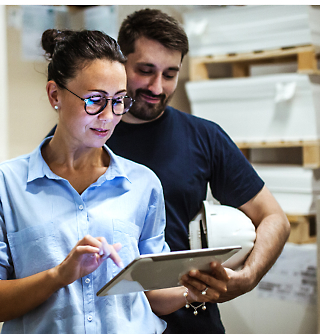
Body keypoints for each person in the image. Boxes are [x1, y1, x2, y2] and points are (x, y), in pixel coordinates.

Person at [49, 8, 291, 333]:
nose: (157, 87)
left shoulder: (204, 137)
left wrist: (247, 277)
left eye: (170, 74)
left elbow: (274, 218)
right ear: (121, 63)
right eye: (145, 70)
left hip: (189, 321)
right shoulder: (82, 136)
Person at [0, 29, 210, 333]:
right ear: (55, 95)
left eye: (119, 101)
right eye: (95, 100)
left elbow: (151, 292)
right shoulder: (5, 185)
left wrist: (195, 289)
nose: (108, 116)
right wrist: (59, 275)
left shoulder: (143, 184)